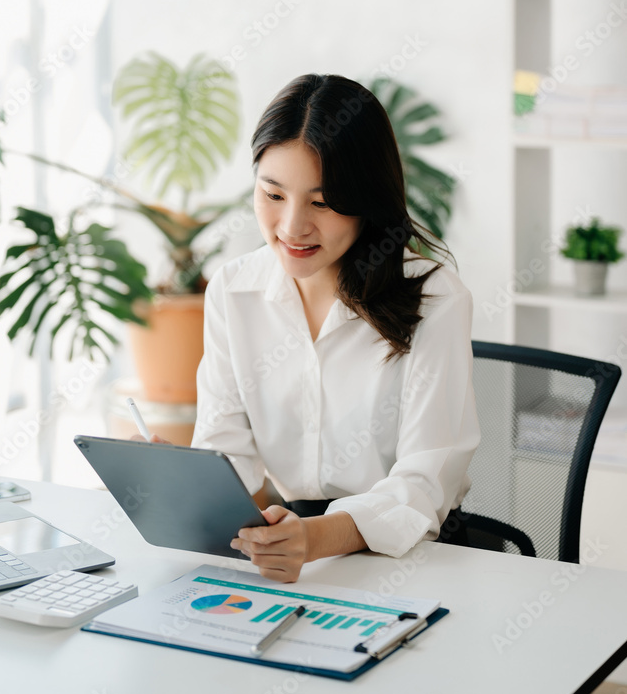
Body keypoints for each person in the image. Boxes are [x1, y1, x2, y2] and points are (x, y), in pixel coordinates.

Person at [176, 73, 479, 583]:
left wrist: (316, 537)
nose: (292, 226)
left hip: (405, 562)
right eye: (273, 194)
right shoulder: (234, 289)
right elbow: (226, 450)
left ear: (369, 200)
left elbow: (425, 482)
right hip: (290, 556)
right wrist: (187, 481)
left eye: (321, 203)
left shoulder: (435, 299)